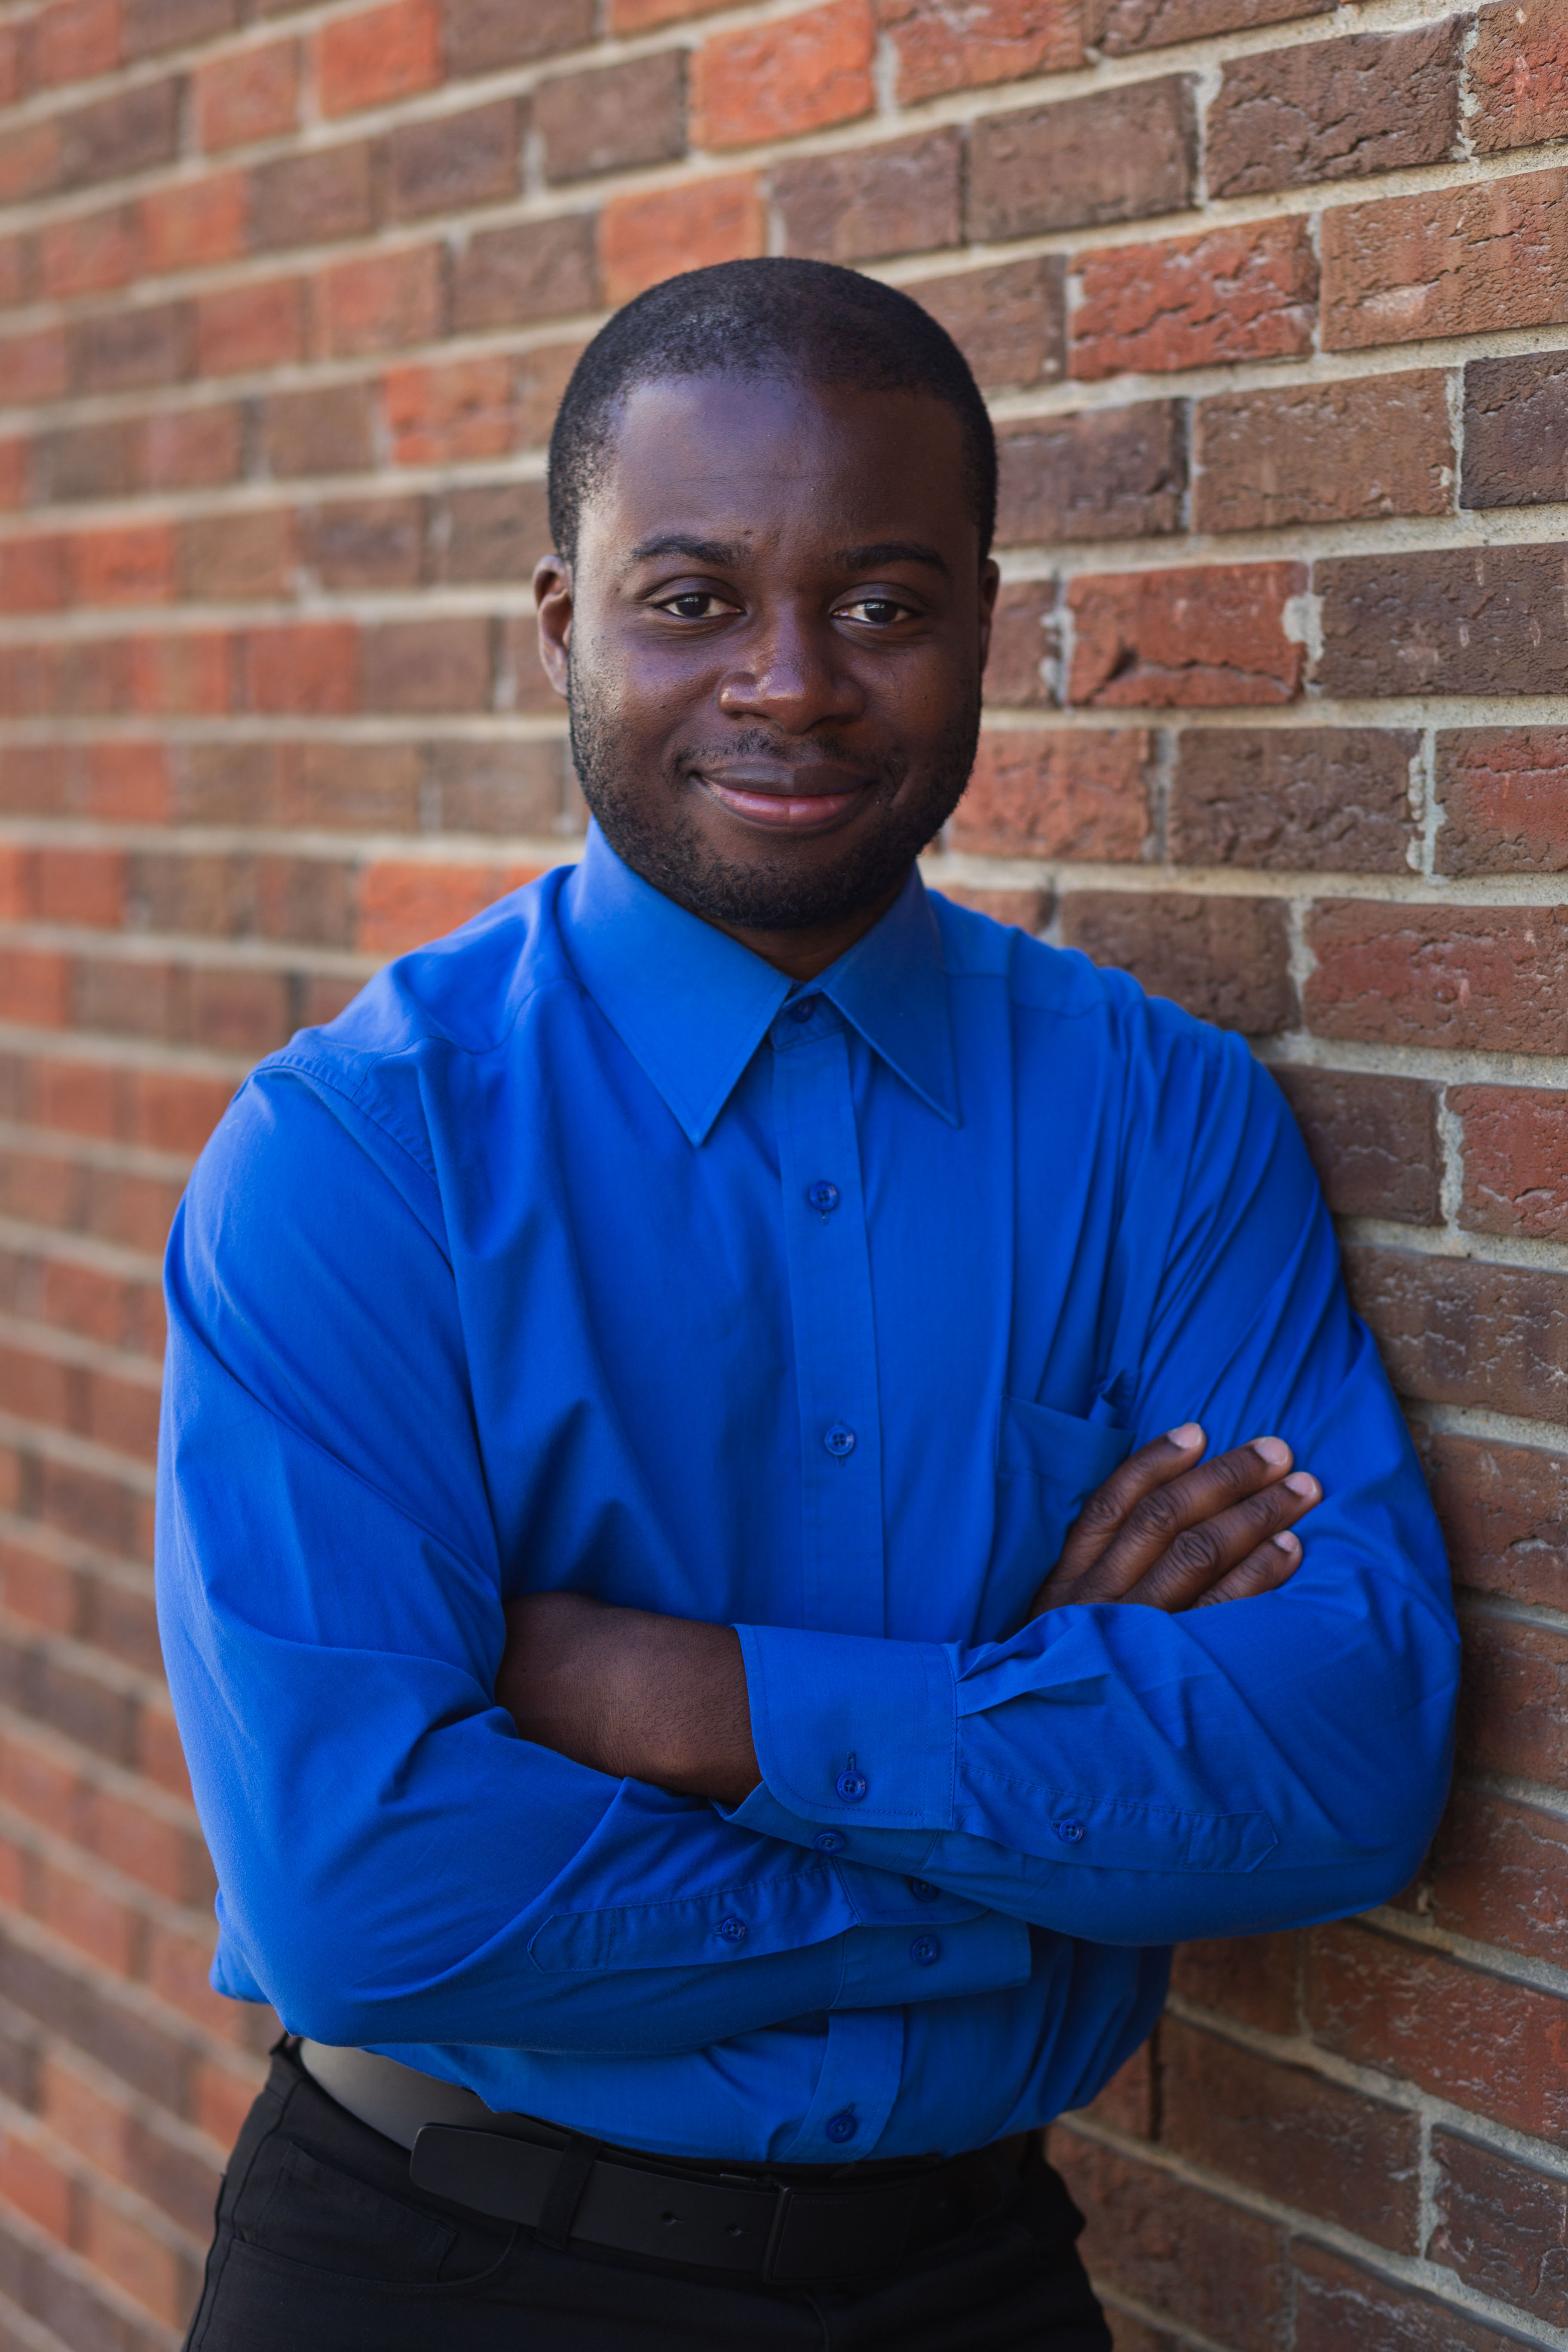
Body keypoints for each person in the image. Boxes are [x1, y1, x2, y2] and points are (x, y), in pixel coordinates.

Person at [157, 259, 1458, 2351]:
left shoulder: (1163, 1120)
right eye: (692, 601)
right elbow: (361, 1897)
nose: (793, 683)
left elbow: (1345, 1758)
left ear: (982, 621)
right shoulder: (361, 1157)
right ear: (565, 626)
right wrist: (1020, 1809)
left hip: (975, 2282)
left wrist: (698, 1708)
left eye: (879, 603)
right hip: (444, 2273)